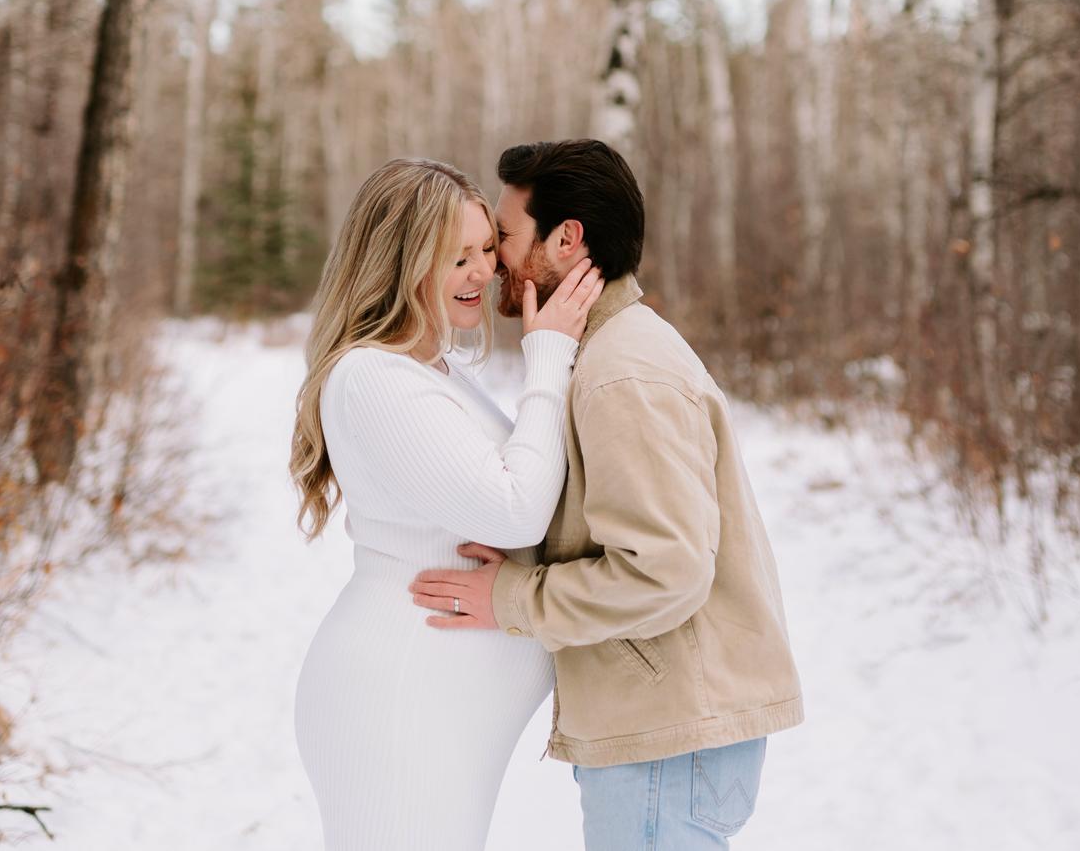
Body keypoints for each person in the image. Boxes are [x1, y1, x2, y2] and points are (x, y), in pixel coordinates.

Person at [410, 139, 802, 850]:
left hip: (670, 736)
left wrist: (512, 598)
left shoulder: (622, 373)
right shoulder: (603, 354)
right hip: (666, 730)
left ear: (566, 240)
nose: (493, 258)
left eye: (504, 236)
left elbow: (666, 570)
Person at [290, 156, 604, 851]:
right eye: (454, 257)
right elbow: (516, 508)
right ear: (399, 263)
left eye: (487, 248)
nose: (483, 271)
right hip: (400, 700)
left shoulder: (433, 372)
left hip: (439, 711)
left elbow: (507, 503)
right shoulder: (376, 378)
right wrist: (546, 357)